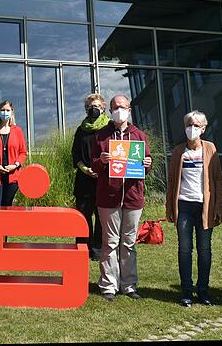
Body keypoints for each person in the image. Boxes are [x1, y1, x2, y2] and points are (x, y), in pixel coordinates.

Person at [91, 94, 152, 301]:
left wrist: (147, 164)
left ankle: (128, 284)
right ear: (110, 111)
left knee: (128, 242)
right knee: (110, 242)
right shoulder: (101, 136)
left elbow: (147, 162)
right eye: (115, 107)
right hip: (108, 197)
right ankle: (108, 285)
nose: (119, 110)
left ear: (129, 110)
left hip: (133, 197)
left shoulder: (139, 136)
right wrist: (101, 160)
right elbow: (93, 165)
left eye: (123, 107)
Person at [166, 110, 222, 307]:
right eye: (189, 125)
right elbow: (172, 181)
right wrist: (169, 208)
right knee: (184, 249)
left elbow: (217, 179)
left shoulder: (210, 149)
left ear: (204, 128)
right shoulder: (178, 151)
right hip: (184, 205)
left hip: (204, 206)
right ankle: (186, 290)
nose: (192, 129)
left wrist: (218, 207)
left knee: (204, 249)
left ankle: (203, 290)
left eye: (196, 125)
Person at [71, 93, 109, 261]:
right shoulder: (81, 129)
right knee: (82, 216)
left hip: (104, 178)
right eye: (90, 107)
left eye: (97, 106)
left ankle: (98, 250)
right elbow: (75, 153)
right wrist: (85, 169)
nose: (93, 109)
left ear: (103, 108)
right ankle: (82, 248)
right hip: (84, 178)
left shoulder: (110, 128)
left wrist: (101, 168)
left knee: (101, 216)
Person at [0, 100, 27, 209]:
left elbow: (23, 152)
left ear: (12, 112)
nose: (5, 112)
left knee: (7, 209)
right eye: (2, 110)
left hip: (12, 177)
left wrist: (15, 165)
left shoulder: (18, 131)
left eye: (7, 110)